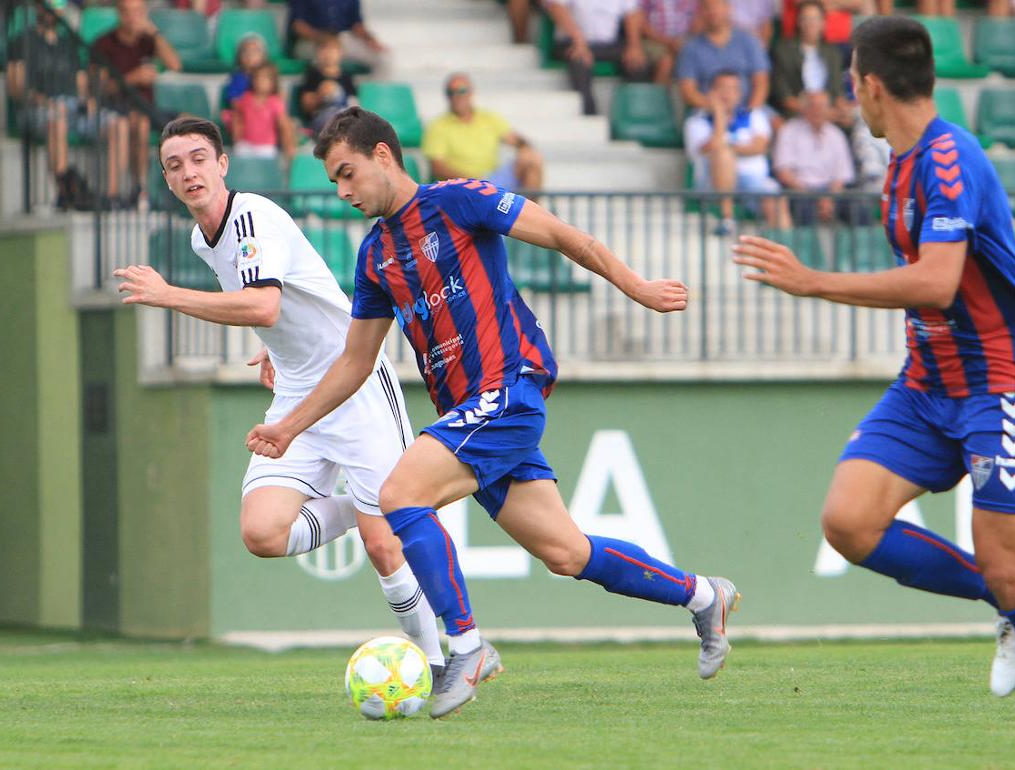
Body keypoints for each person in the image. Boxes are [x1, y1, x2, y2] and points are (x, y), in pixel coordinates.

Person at [246, 107, 740, 713]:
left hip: (508, 389)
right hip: (469, 414)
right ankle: (702, 597)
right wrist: (287, 426)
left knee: (402, 495)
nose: (343, 191)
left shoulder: (459, 201)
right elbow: (353, 362)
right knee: (566, 553)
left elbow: (566, 237)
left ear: (382, 155)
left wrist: (638, 287)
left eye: (347, 173)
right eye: (333, 183)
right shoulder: (375, 256)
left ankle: (468, 645)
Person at [732, 17, 1015, 757]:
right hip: (926, 382)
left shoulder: (949, 161)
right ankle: (1009, 602)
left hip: (998, 386)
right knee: (849, 522)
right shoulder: (901, 162)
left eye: (852, 81)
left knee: (1012, 566)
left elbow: (938, 282)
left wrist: (815, 281)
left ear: (873, 85)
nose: (851, 94)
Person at [113, 116, 500, 719]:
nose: (187, 172)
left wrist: (168, 294)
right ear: (166, 179)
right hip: (297, 391)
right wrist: (281, 348)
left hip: (356, 386)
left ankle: (436, 663)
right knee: (263, 533)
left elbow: (263, 303)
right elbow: (286, 300)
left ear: (223, 165)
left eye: (197, 159)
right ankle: (367, 510)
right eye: (173, 165)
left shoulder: (253, 217)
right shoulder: (202, 238)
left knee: (383, 545)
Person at [92, 0, 182, 205]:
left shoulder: (147, 40)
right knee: (140, 122)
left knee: (188, 123)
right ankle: (139, 188)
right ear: (120, 14)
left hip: (147, 107)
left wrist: (154, 32)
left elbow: (175, 64)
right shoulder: (104, 43)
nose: (134, 18)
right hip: (116, 107)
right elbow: (100, 88)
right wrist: (134, 77)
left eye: (139, 12)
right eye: (129, 13)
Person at [5, 4, 92, 209]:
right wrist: (45, 101)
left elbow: (81, 84)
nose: (52, 13)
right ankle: (63, 191)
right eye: (48, 7)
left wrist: (88, 101)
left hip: (72, 109)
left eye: (56, 8)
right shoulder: (22, 41)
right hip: (36, 110)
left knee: (117, 124)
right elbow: (16, 88)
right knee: (57, 118)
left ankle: (116, 195)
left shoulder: (69, 43)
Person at [685, 71, 791, 234]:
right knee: (722, 154)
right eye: (722, 88)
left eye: (733, 89)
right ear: (711, 92)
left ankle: (786, 247)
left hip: (754, 182)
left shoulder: (754, 115)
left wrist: (727, 146)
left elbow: (759, 146)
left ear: (739, 94)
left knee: (776, 201)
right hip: (711, 184)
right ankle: (727, 217)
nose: (727, 94)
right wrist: (719, 115)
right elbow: (711, 147)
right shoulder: (696, 121)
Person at [422, 73, 544, 193]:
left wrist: (525, 149)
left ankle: (531, 210)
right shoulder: (437, 126)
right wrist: (472, 182)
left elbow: (515, 140)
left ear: (471, 92)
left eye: (462, 90)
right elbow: (437, 167)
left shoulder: (488, 118)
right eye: (451, 92)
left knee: (532, 158)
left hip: (493, 179)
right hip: (462, 186)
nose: (456, 96)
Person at [544, 0, 652, 115]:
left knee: (638, 63)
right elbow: (556, 8)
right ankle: (589, 117)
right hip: (572, 41)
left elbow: (633, 12)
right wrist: (578, 40)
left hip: (608, 45)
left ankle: (633, 118)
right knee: (579, 60)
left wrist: (634, 45)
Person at [772, 91, 856, 224]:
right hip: (800, 191)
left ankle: (862, 245)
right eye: (812, 106)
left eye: (822, 106)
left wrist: (829, 199)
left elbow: (842, 175)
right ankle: (807, 245)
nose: (817, 111)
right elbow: (783, 172)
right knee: (804, 208)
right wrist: (812, 196)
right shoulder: (789, 130)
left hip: (830, 191)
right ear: (803, 109)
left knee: (858, 208)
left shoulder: (836, 135)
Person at [677, 0, 770, 113]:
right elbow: (688, 91)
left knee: (777, 125)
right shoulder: (691, 47)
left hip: (748, 108)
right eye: (707, 7)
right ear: (700, 12)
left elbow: (761, 82)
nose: (713, 11)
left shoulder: (748, 40)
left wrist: (749, 113)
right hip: (707, 112)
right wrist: (717, 110)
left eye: (717, 6)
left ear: (729, 8)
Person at [770, 0, 850, 122]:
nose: (811, 23)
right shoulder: (783, 51)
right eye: (806, 18)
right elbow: (785, 97)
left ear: (823, 22)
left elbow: (837, 92)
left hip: (829, 114)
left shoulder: (833, 53)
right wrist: (820, 113)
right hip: (797, 115)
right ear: (798, 22)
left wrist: (843, 110)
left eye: (815, 18)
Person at [287, 0, 387, 73]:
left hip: (342, 39)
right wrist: (322, 38)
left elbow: (357, 25)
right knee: (327, 56)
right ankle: (317, 95)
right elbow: (298, 26)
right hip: (311, 40)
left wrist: (370, 39)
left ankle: (365, 97)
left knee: (383, 57)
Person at [231, 63, 297, 160]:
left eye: (266, 78)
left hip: (267, 147)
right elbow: (238, 118)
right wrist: (236, 134)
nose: (260, 81)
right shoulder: (246, 98)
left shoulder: (275, 102)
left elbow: (284, 126)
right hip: (245, 144)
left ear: (273, 82)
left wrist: (289, 147)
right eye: (257, 77)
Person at [299, 36, 357, 136]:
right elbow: (306, 104)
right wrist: (321, 95)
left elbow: (353, 103)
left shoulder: (346, 77)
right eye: (323, 49)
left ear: (341, 53)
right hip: (321, 119)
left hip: (343, 116)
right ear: (317, 53)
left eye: (333, 49)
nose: (328, 53)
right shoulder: (313, 74)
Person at [637, 0, 700, 85]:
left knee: (698, 56)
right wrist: (668, 42)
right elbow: (641, 22)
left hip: (685, 40)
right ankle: (658, 96)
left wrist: (684, 40)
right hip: (653, 41)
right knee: (666, 61)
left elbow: (699, 19)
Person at [222, 34, 269, 110]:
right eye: (245, 51)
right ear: (238, 57)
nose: (249, 55)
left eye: (255, 51)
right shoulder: (236, 78)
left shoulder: (267, 76)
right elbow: (233, 101)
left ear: (263, 56)